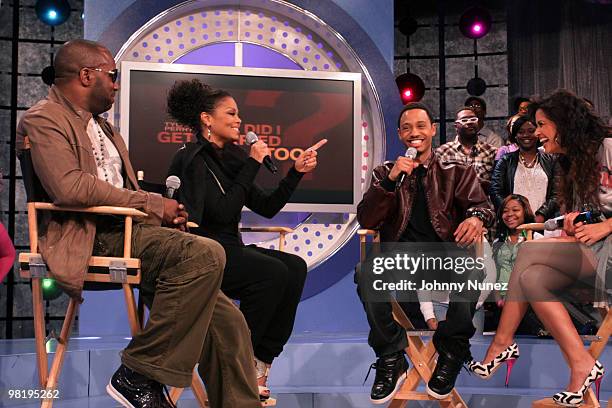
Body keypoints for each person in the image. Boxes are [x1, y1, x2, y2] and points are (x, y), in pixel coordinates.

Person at [16, 39, 261, 408]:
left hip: (130, 232)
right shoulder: (44, 118)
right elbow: (69, 187)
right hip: (87, 238)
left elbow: (119, 191)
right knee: (207, 254)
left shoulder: (106, 129)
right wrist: (149, 203)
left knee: (229, 321)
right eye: (112, 75)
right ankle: (139, 372)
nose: (116, 83)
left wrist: (164, 211)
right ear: (86, 75)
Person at [165, 78, 327, 401]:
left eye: (239, 114)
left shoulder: (234, 157)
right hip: (205, 253)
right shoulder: (191, 159)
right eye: (231, 113)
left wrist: (295, 172)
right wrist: (253, 163)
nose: (239, 120)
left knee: (294, 266)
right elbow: (222, 213)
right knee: (272, 273)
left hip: (231, 250)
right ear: (206, 119)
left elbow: (267, 207)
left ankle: (258, 362)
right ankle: (236, 361)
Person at [469, 90, 611, 407]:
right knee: (532, 278)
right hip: (596, 248)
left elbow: (606, 218)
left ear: (565, 123)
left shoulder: (608, 148)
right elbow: (594, 211)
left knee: (529, 252)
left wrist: (605, 225)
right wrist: (577, 221)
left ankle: (502, 343)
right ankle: (581, 364)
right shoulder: (573, 164)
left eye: (543, 124)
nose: (537, 133)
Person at [356, 102, 495, 404]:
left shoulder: (455, 172)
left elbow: (484, 206)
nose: (414, 133)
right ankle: (391, 356)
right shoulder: (385, 173)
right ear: (399, 135)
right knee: (365, 272)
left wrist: (476, 217)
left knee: (473, 272)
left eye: (421, 126)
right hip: (401, 258)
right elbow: (366, 219)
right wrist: (391, 180)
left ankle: (451, 350)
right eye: (407, 128)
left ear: (433, 130)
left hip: (442, 257)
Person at [490, 114, 560, 223]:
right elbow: (495, 191)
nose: (526, 135)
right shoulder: (505, 161)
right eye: (521, 132)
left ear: (537, 133)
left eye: (531, 131)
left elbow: (557, 193)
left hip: (544, 224)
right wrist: (511, 214)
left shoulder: (551, 160)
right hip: (513, 224)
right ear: (515, 136)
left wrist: (541, 215)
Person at [437, 107, 497, 189]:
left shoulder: (491, 151)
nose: (469, 123)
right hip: (452, 201)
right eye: (464, 120)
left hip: (483, 200)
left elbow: (498, 186)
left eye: (473, 119)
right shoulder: (443, 152)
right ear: (456, 126)